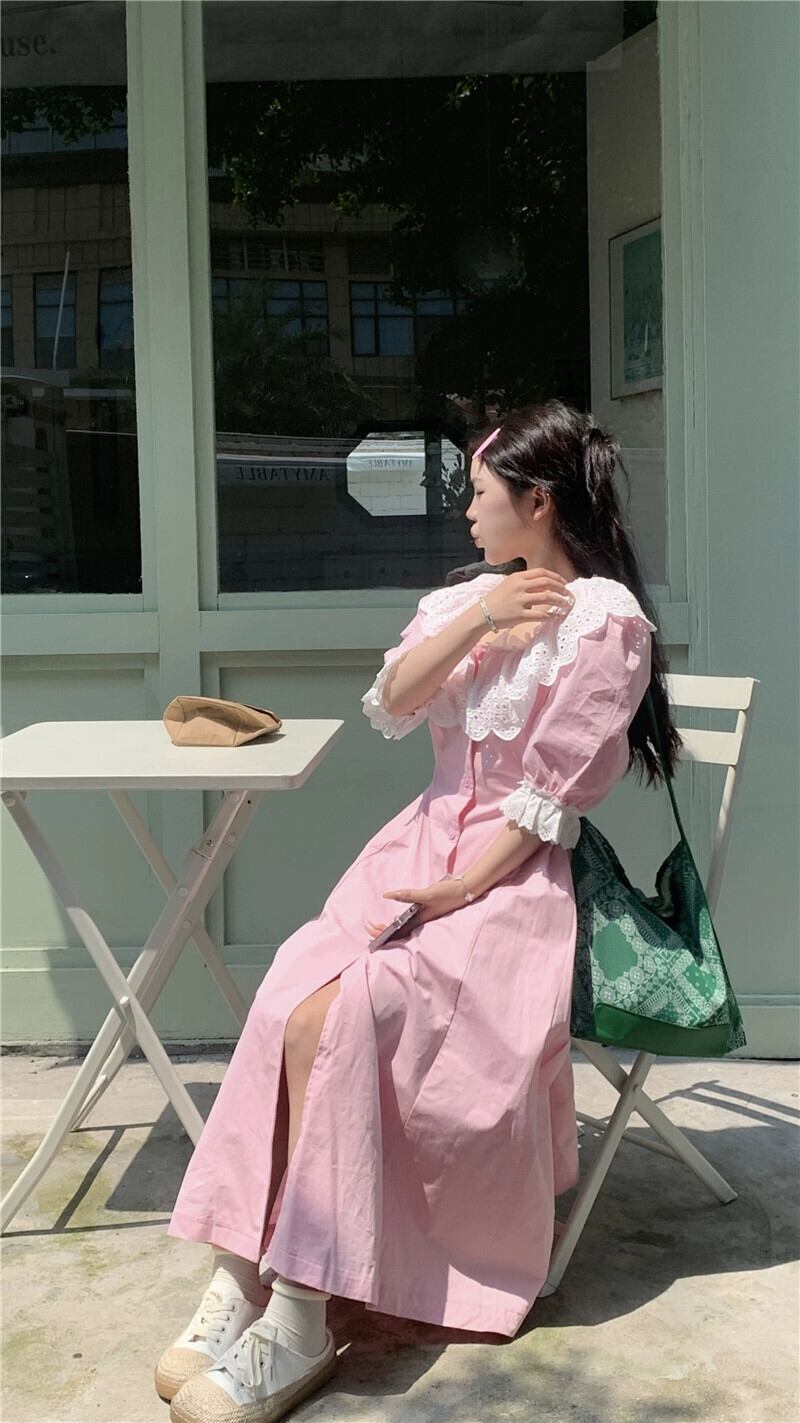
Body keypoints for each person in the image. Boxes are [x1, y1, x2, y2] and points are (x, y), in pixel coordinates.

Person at [157, 399, 680, 1423]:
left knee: (353, 1012)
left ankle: (301, 1313)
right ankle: (242, 1275)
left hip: (507, 880)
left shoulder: (606, 622)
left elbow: (549, 800)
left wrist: (460, 888)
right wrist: (484, 617)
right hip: (412, 847)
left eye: (480, 494)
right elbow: (393, 702)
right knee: (289, 994)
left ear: (537, 502)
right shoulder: (464, 599)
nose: (466, 514)